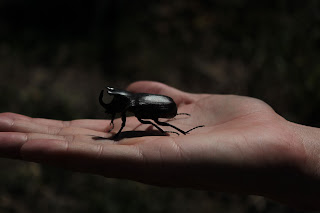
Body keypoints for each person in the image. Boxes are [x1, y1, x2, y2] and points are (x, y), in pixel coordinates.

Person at [0, 81, 319, 210]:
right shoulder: (130, 105)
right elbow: (123, 118)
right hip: (160, 108)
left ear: (123, 105)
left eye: (115, 107)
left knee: (154, 123)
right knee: (148, 123)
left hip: (163, 111)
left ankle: (181, 130)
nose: (113, 110)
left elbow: (149, 119)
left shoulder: (135, 106)